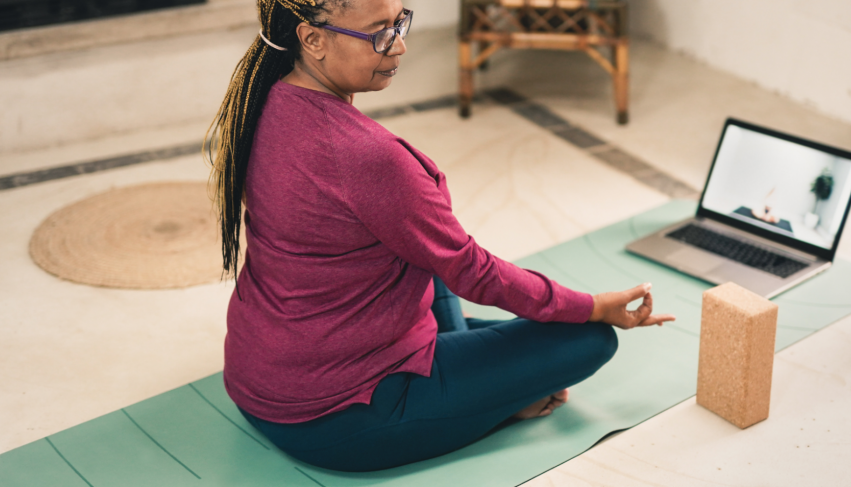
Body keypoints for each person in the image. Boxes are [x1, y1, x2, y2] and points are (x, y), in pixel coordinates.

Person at [205, 0, 676, 472]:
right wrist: (592, 307)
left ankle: (477, 378)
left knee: (428, 252)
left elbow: (440, 259)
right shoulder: (366, 156)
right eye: (379, 34)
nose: (400, 46)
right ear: (313, 39)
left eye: (399, 23)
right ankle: (490, 401)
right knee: (588, 339)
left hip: (257, 378)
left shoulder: (259, 100)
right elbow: (473, 271)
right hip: (336, 416)